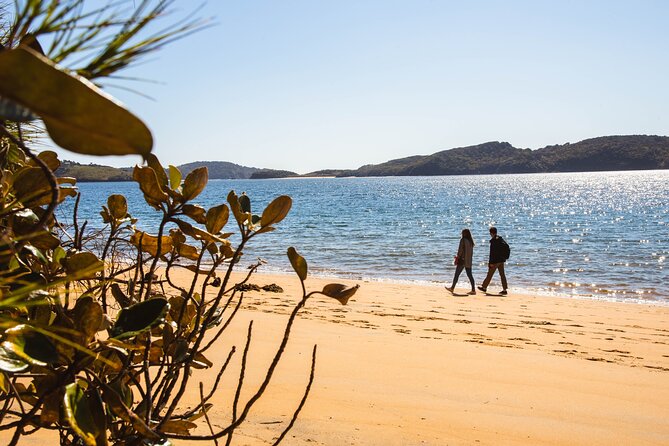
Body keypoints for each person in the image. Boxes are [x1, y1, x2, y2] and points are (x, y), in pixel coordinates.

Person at [478, 226, 509, 295]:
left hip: (496, 260)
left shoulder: (494, 241)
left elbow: (492, 253)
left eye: (490, 233)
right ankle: (504, 289)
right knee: (502, 274)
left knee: (490, 274)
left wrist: (490, 262)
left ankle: (484, 287)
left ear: (491, 233)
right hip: (502, 259)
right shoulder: (500, 239)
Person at [445, 229, 476, 295]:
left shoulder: (463, 240)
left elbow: (460, 250)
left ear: (464, 233)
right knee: (470, 275)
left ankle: (452, 288)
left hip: (462, 260)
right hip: (468, 260)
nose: (461, 234)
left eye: (462, 233)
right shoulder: (471, 242)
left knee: (457, 274)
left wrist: (457, 257)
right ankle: (473, 290)